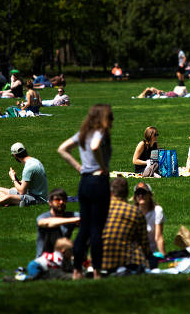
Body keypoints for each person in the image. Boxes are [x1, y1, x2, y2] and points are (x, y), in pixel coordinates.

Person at [57, 104, 113, 280]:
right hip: (98, 181)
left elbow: (62, 149)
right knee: (97, 229)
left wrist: (80, 168)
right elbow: (96, 147)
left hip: (85, 182)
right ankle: (96, 270)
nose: (112, 120)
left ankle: (77, 271)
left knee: (83, 229)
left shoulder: (83, 133)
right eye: (110, 117)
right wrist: (102, 166)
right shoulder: (100, 132)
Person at [0, 142, 49, 207]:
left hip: (37, 199)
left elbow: (21, 191)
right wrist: (17, 180)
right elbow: (29, 183)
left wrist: (13, 178)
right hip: (32, 192)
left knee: (8, 197)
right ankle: (9, 202)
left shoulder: (29, 167)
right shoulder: (34, 161)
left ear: (14, 155)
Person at [101, 177, 150, 272]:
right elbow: (144, 243)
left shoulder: (99, 210)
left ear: (110, 193)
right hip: (128, 262)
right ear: (127, 193)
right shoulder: (135, 212)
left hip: (101, 261)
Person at [36, 188, 80, 257]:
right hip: (45, 259)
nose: (61, 202)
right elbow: (45, 223)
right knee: (54, 229)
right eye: (57, 200)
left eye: (64, 200)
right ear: (50, 202)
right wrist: (74, 220)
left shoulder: (71, 215)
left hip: (64, 257)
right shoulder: (44, 216)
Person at [133, 182, 165, 268]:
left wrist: (164, 255)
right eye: (138, 193)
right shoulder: (132, 212)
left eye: (143, 193)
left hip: (150, 251)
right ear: (135, 197)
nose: (141, 196)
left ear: (150, 195)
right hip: (134, 251)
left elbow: (158, 237)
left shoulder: (157, 211)